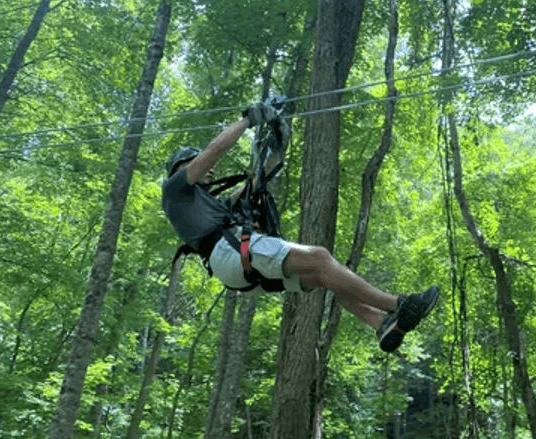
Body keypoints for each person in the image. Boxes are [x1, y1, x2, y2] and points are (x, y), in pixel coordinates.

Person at [161, 100, 438, 353]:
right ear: (180, 167)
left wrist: (280, 133)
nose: (209, 171)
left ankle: (380, 322)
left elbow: (262, 176)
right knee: (319, 257)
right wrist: (248, 120)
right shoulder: (175, 190)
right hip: (231, 251)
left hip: (234, 264)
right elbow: (213, 152)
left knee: (322, 274)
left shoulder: (215, 207)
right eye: (195, 163)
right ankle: (398, 304)